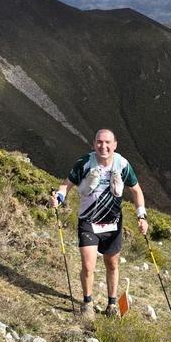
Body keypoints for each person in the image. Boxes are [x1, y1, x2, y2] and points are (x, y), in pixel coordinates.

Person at [51, 128, 148, 319]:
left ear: (115, 145)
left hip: (113, 223)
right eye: (99, 142)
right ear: (94, 143)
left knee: (112, 264)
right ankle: (87, 303)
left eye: (107, 142)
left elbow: (136, 190)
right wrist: (59, 197)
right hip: (88, 221)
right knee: (88, 265)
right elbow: (67, 184)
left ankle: (112, 304)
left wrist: (141, 216)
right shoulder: (85, 163)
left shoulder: (122, 164)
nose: (103, 146)